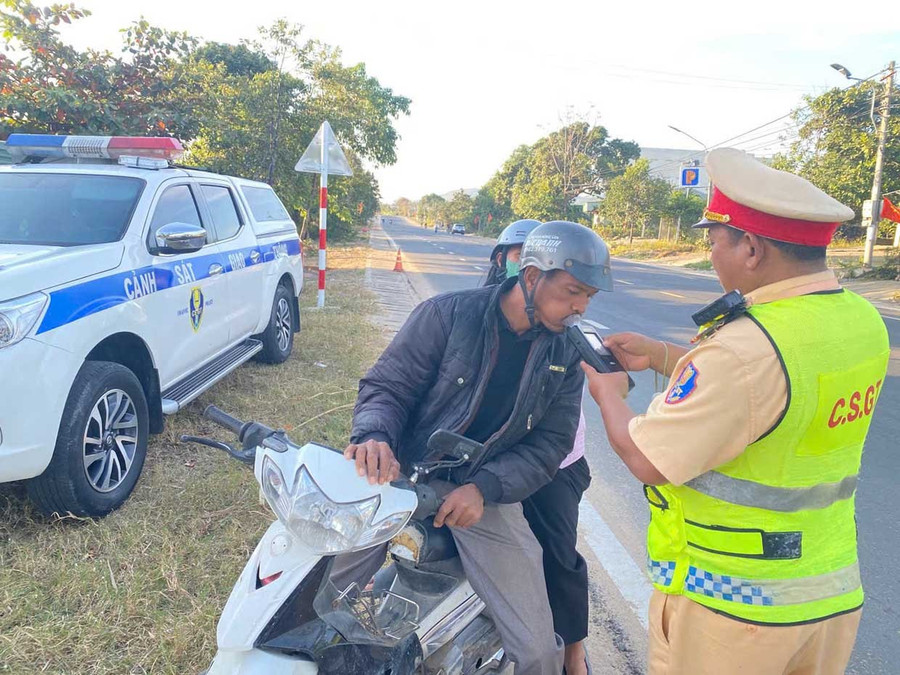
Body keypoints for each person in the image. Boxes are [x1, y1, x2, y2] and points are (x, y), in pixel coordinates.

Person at [580, 148, 890, 675]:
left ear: (750, 247)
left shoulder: (744, 348)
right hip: (829, 593)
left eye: (713, 242)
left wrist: (609, 392)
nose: (711, 255)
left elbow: (649, 460)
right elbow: (779, 394)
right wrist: (663, 356)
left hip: (735, 606)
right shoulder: (860, 319)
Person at [335, 221, 613, 675]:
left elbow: (550, 445)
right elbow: (388, 386)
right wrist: (374, 437)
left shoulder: (565, 357)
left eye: (588, 297)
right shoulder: (446, 315)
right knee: (317, 599)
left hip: (479, 498)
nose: (579, 307)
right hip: (398, 475)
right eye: (571, 292)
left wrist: (484, 489)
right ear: (529, 277)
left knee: (539, 651)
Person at [484, 219, 593, 675]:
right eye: (512, 253)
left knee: (556, 556)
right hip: (492, 462)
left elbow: (597, 362)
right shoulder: (479, 313)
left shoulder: (562, 326)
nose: (518, 261)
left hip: (556, 463)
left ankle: (572, 654)